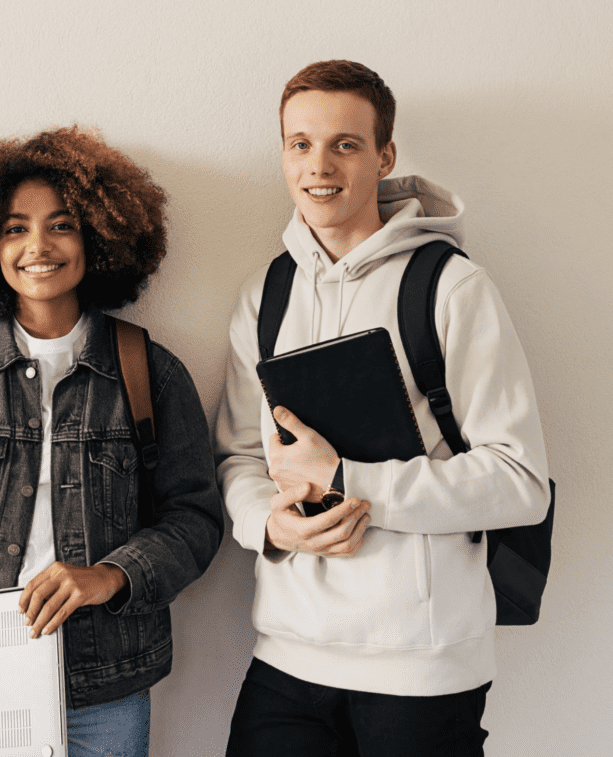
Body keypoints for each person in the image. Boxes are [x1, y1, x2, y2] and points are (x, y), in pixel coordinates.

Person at [215, 60, 551, 756]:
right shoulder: (265, 294)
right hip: (288, 656)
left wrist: (351, 481)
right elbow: (240, 458)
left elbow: (519, 481)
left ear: (384, 155)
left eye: (345, 143)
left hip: (423, 666)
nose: (318, 164)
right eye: (299, 143)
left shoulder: (451, 288)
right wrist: (268, 523)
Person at [0, 126, 224, 757]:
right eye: (13, 228)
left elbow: (194, 517)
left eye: (61, 225)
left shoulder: (149, 371)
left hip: (105, 688)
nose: (38, 246)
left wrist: (110, 575)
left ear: (98, 237)